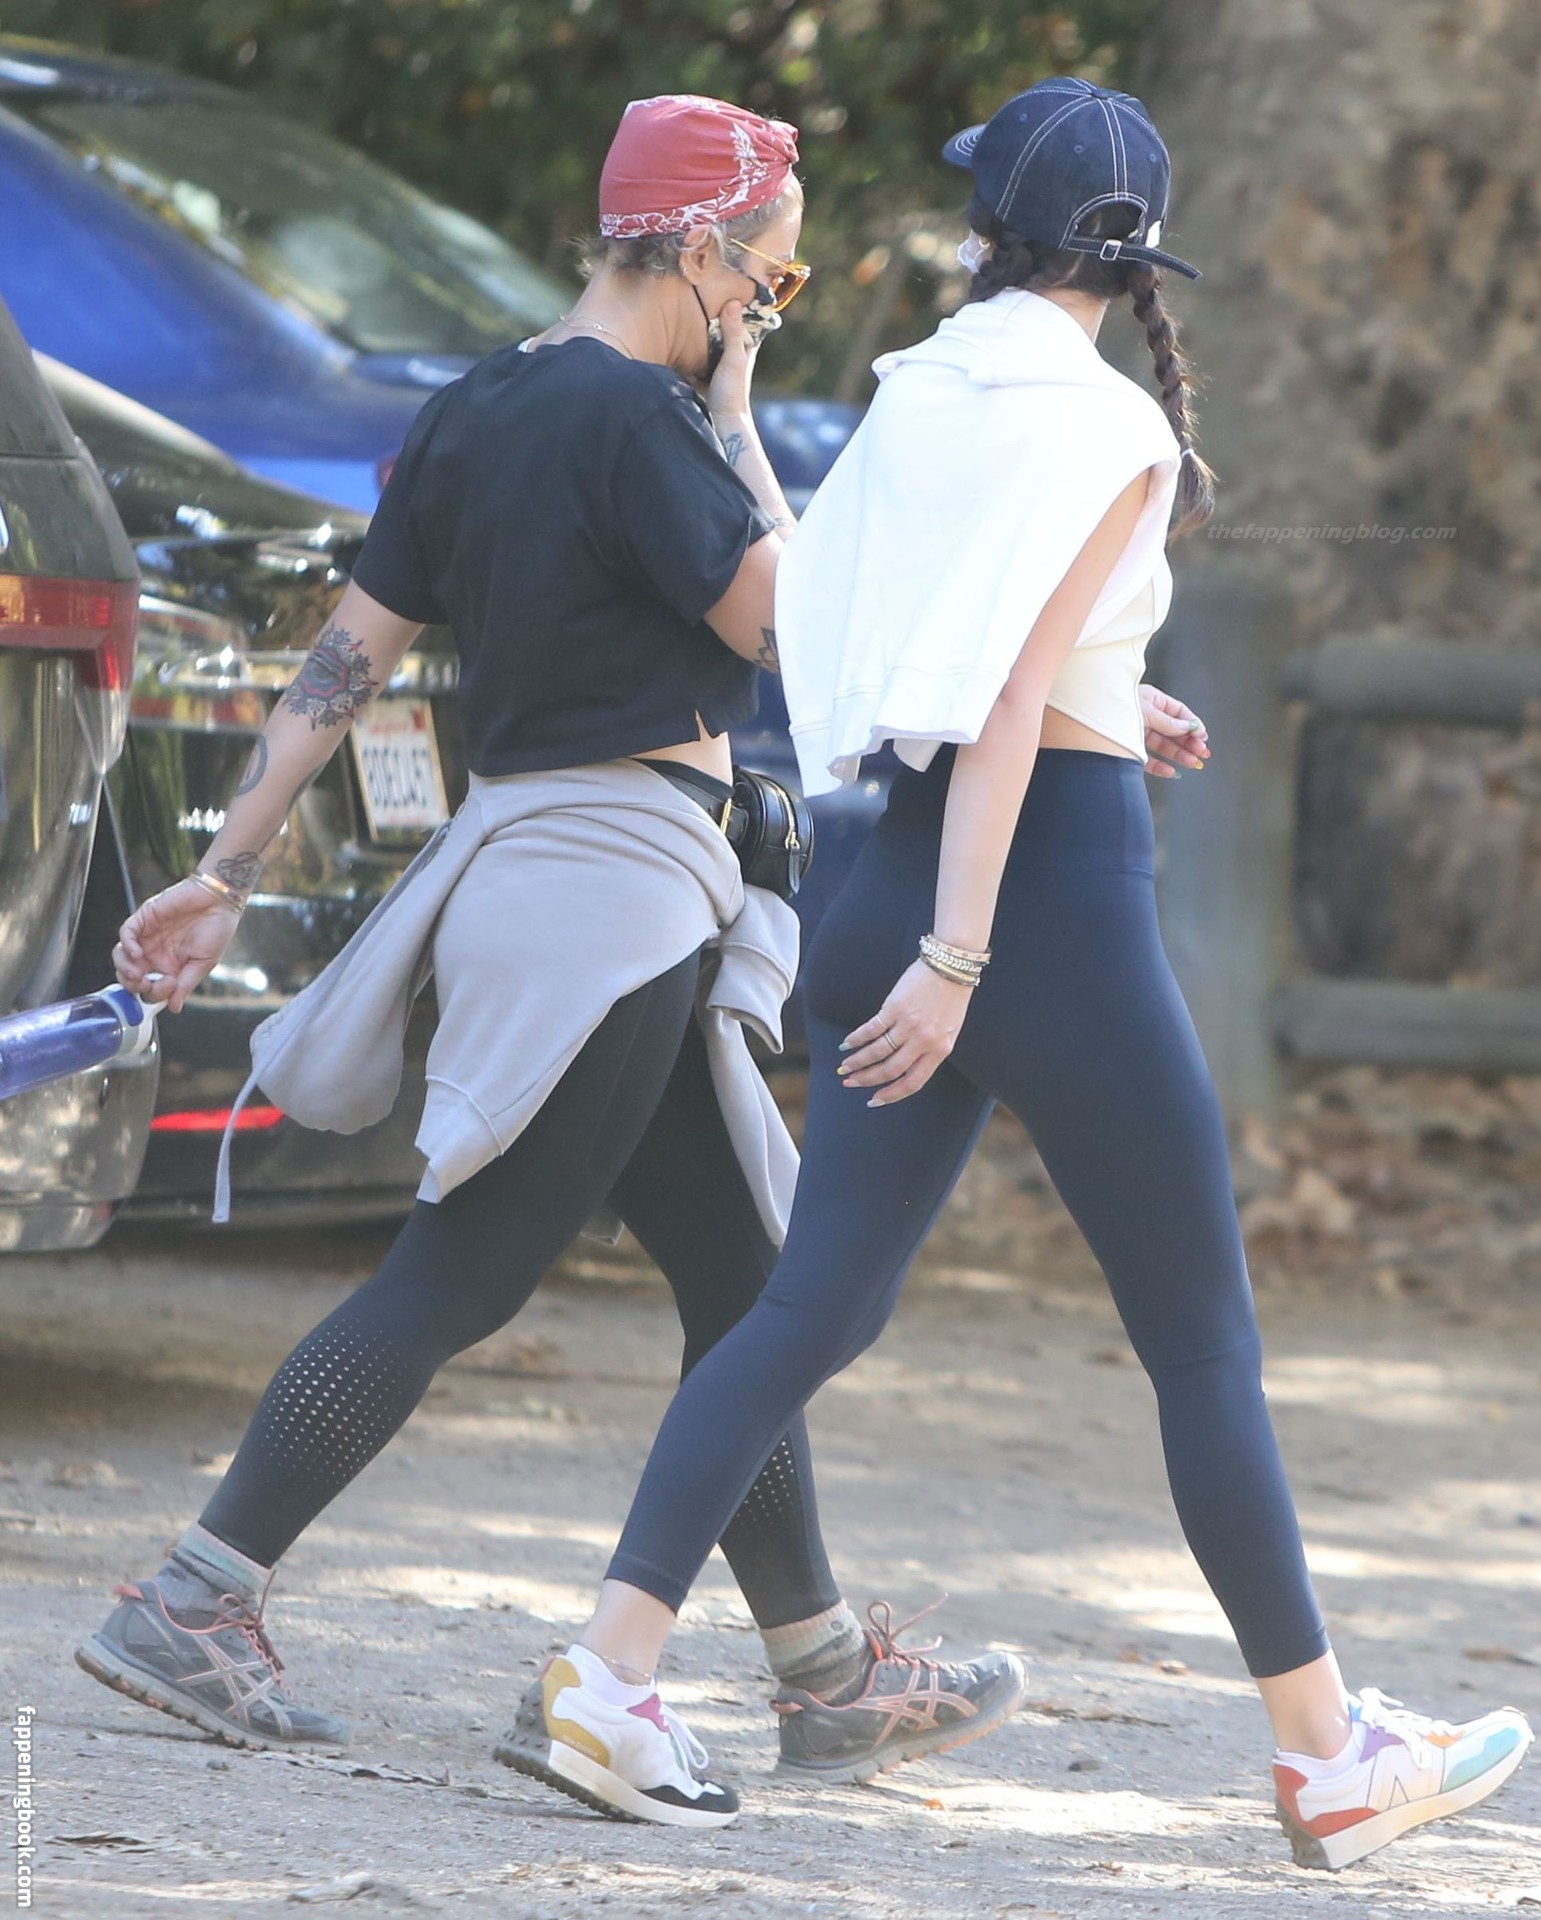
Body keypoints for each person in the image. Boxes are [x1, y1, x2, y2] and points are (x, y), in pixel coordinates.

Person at [528, 80, 1536, 1869]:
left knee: (804, 1313)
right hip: (1032, 919)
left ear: (987, 226)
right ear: (1138, 257)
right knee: (1200, 1343)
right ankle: (1325, 1755)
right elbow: (1000, 692)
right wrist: (962, 954)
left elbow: (866, 627)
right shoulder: (1109, 424)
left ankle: (608, 1673)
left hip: (889, 882)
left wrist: (1103, 704)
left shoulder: (918, 385)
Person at [73, 94, 1052, 1825]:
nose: (767, 308)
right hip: (610, 886)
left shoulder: (477, 408)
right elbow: (795, 630)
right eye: (771, 277)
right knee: (462, 1270)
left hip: (557, 873)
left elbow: (342, 662)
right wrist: (735, 420)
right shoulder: (643, 421)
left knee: (744, 1289)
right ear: (699, 250)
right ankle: (196, 1597)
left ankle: (824, 1671)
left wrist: (227, 866)